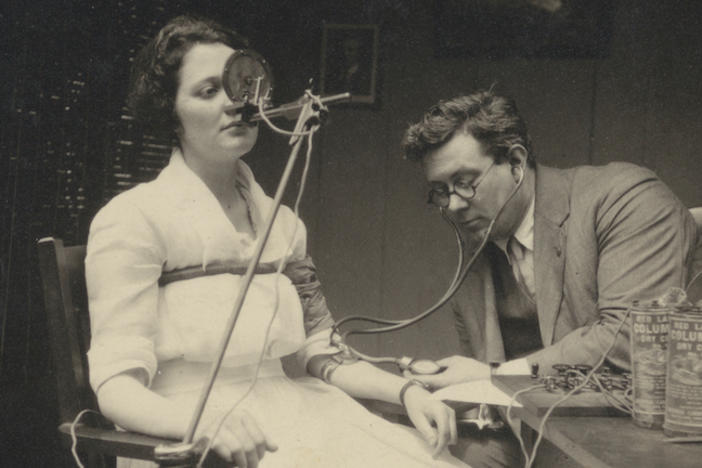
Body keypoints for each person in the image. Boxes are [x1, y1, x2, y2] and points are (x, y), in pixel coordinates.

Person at [86, 15, 469, 468]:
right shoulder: (134, 219)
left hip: (295, 409)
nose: (236, 104)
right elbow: (115, 388)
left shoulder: (281, 224)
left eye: (242, 86)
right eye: (208, 91)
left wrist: (406, 391)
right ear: (170, 111)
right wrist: (198, 423)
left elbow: (321, 351)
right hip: (190, 438)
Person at [401, 89, 699, 466]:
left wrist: (494, 375)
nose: (455, 205)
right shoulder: (477, 250)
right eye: (440, 192)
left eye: (465, 181)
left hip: (633, 441)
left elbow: (629, 340)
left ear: (515, 161)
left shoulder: (624, 199)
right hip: (536, 437)